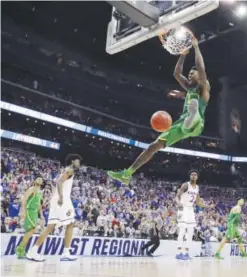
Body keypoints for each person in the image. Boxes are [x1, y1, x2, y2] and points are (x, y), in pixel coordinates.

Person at [107, 38, 210, 184]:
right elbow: (176, 73)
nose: (189, 75)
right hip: (181, 125)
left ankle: (191, 117)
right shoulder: (189, 88)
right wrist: (183, 54)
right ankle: (128, 173)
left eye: (192, 74)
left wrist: (196, 47)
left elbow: (201, 69)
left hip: (197, 123)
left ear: (200, 77)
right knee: (153, 146)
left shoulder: (203, 88)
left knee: (193, 106)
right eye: (189, 74)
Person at [26, 154, 82, 262]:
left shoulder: (65, 170)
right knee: (70, 224)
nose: (79, 163)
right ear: (72, 161)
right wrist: (61, 197)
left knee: (50, 227)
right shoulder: (70, 170)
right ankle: (66, 252)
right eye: (77, 161)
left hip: (55, 199)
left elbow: (58, 182)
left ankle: (32, 252)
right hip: (62, 199)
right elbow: (59, 182)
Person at [175, 170, 206, 260]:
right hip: (183, 208)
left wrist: (207, 206)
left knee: (190, 232)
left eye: (195, 175)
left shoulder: (197, 188)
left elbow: (198, 202)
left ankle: (186, 253)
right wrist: (179, 203)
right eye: (192, 175)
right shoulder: (185, 185)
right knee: (182, 231)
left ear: (197, 177)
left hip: (190, 209)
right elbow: (177, 197)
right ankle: (178, 253)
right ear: (190, 177)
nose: (193, 176)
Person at [15, 175, 44, 259]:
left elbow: (39, 205)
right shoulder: (31, 189)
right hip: (29, 210)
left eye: (41, 179)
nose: (39, 179)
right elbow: (24, 200)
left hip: (34, 213)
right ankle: (19, 248)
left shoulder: (40, 192)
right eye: (37, 178)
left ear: (42, 183)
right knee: (32, 230)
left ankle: (21, 250)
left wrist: (41, 215)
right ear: (34, 181)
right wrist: (23, 211)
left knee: (30, 231)